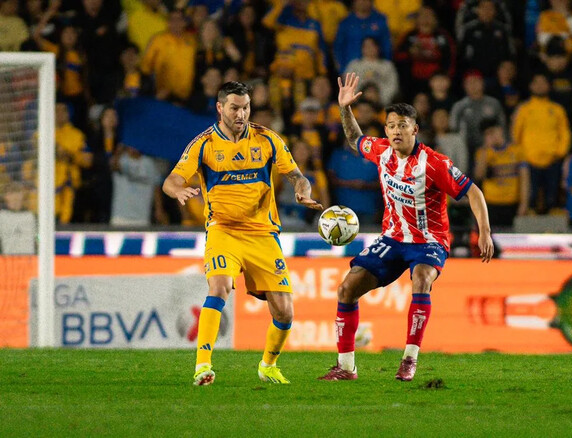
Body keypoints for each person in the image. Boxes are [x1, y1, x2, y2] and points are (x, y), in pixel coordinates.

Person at [319, 73, 493, 382]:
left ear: (415, 129)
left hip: (429, 240)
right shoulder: (381, 151)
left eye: (403, 125)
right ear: (385, 129)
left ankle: (409, 360)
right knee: (347, 289)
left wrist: (486, 233)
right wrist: (344, 108)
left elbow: (474, 192)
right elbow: (353, 139)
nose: (396, 131)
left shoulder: (435, 163)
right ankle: (346, 368)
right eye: (391, 125)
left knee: (422, 278)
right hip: (392, 239)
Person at [162, 81, 323, 386]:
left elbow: (297, 175)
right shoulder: (205, 144)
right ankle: (203, 366)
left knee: (285, 313)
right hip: (223, 230)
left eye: (246, 107)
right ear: (220, 107)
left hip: (263, 233)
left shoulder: (266, 139)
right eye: (235, 107)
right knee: (219, 287)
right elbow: (170, 179)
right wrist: (178, 191)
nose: (241, 113)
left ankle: (268, 365)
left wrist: (302, 191)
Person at [512, 74, 570, 213]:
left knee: (552, 197)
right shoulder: (524, 109)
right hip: (529, 160)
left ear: (549, 86)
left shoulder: (557, 109)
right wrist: (521, 155)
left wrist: (560, 153)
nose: (539, 86)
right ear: (531, 86)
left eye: (543, 82)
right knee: (530, 196)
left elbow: (564, 133)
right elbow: (516, 134)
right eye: (536, 83)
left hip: (553, 159)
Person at [474, 118, 529, 226]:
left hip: (512, 202)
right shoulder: (483, 153)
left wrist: (524, 203)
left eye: (493, 131)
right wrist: (486, 149)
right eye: (487, 134)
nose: (492, 136)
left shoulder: (517, 151)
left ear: (500, 130)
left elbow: (524, 179)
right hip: (491, 203)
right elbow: (479, 175)